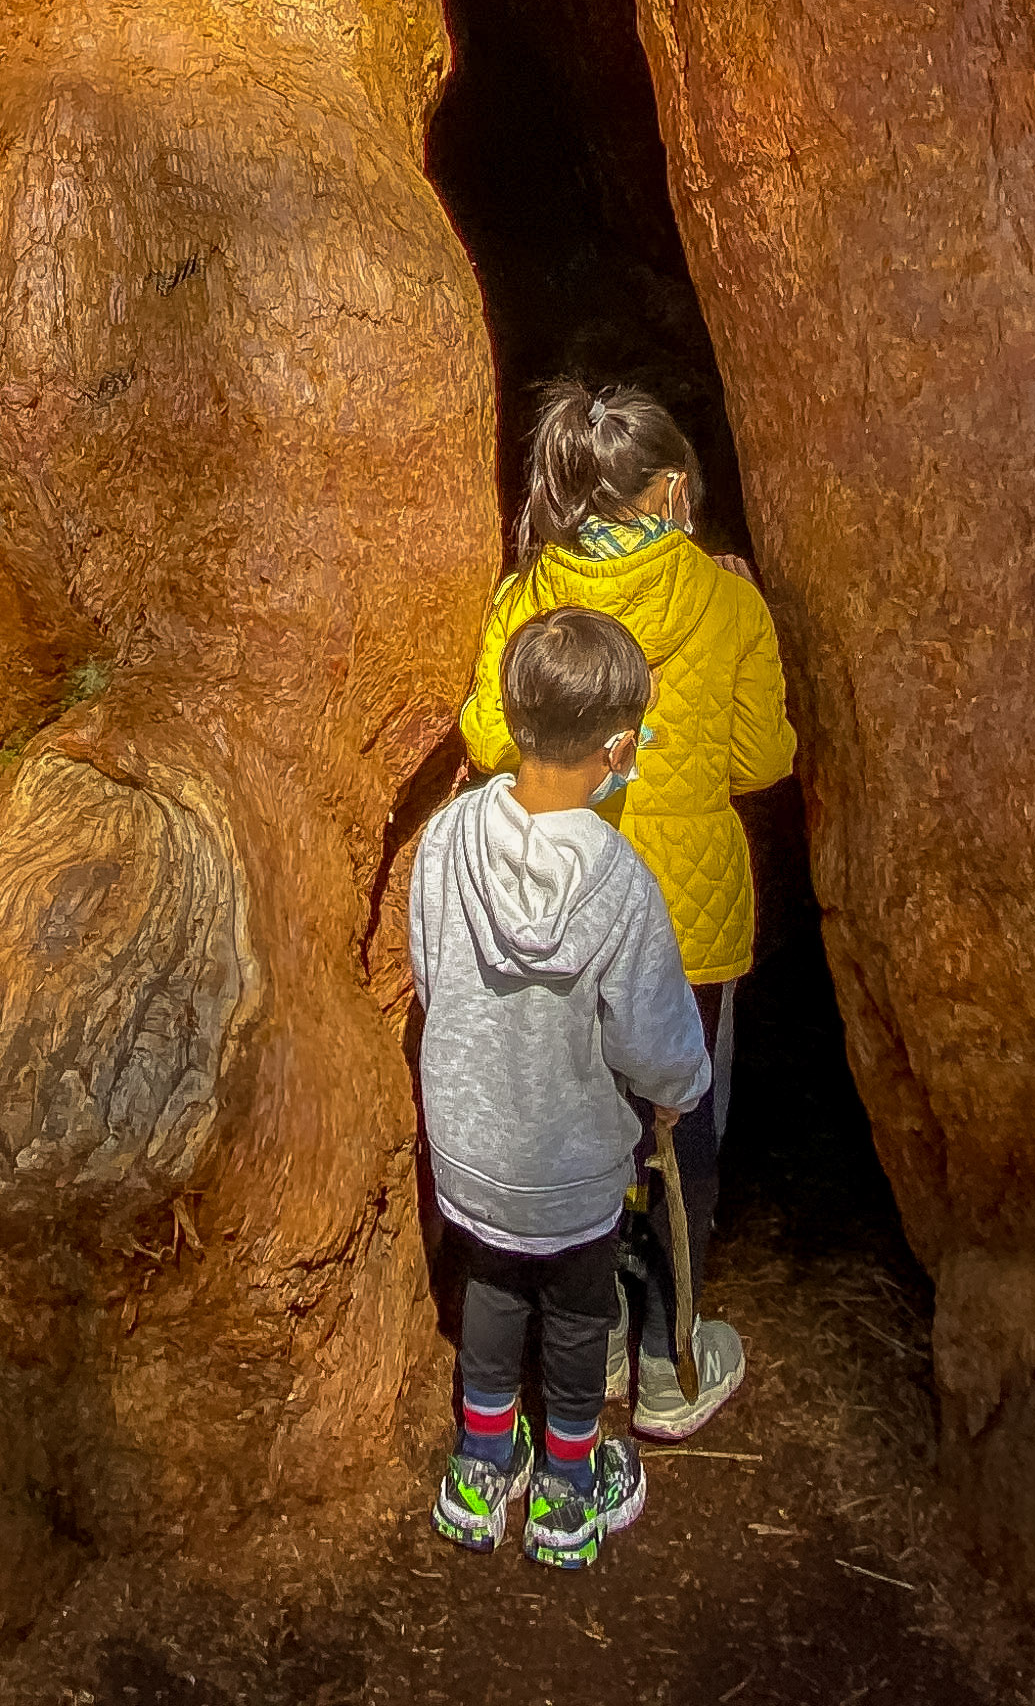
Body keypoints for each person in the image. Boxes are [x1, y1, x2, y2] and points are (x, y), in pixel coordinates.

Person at [458, 380, 792, 1438]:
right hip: (686, 917)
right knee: (681, 1123)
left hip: (558, 900)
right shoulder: (727, 600)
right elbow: (761, 760)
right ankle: (669, 1359)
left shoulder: (528, 600)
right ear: (676, 489)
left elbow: (484, 736)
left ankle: (591, 1333)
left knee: (580, 1123)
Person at [410, 607, 712, 1570]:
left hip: (472, 1147)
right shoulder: (621, 884)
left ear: (512, 715)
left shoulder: (449, 838)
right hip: (576, 1168)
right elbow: (655, 1033)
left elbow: (429, 971)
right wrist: (677, 1092)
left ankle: (478, 1471)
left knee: (493, 1287)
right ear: (620, 747)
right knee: (581, 1314)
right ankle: (568, 1495)